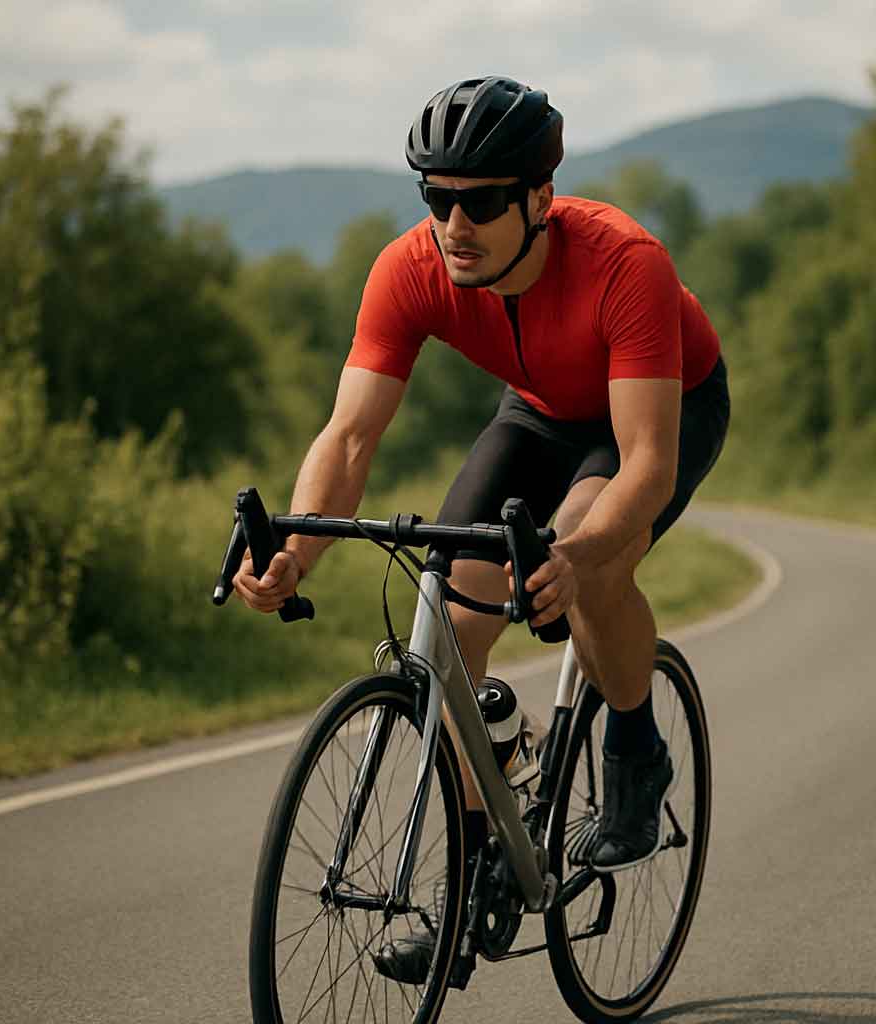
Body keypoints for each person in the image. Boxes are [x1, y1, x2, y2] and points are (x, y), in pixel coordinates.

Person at [233, 76, 729, 982]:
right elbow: (348, 435)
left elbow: (647, 464)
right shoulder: (410, 268)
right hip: (538, 411)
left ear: (540, 198)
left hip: (665, 409)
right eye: (436, 199)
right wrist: (293, 554)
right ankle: (474, 884)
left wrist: (576, 558)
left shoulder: (627, 263)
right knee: (452, 621)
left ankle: (635, 746)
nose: (453, 225)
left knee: (589, 554)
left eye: (481, 202)